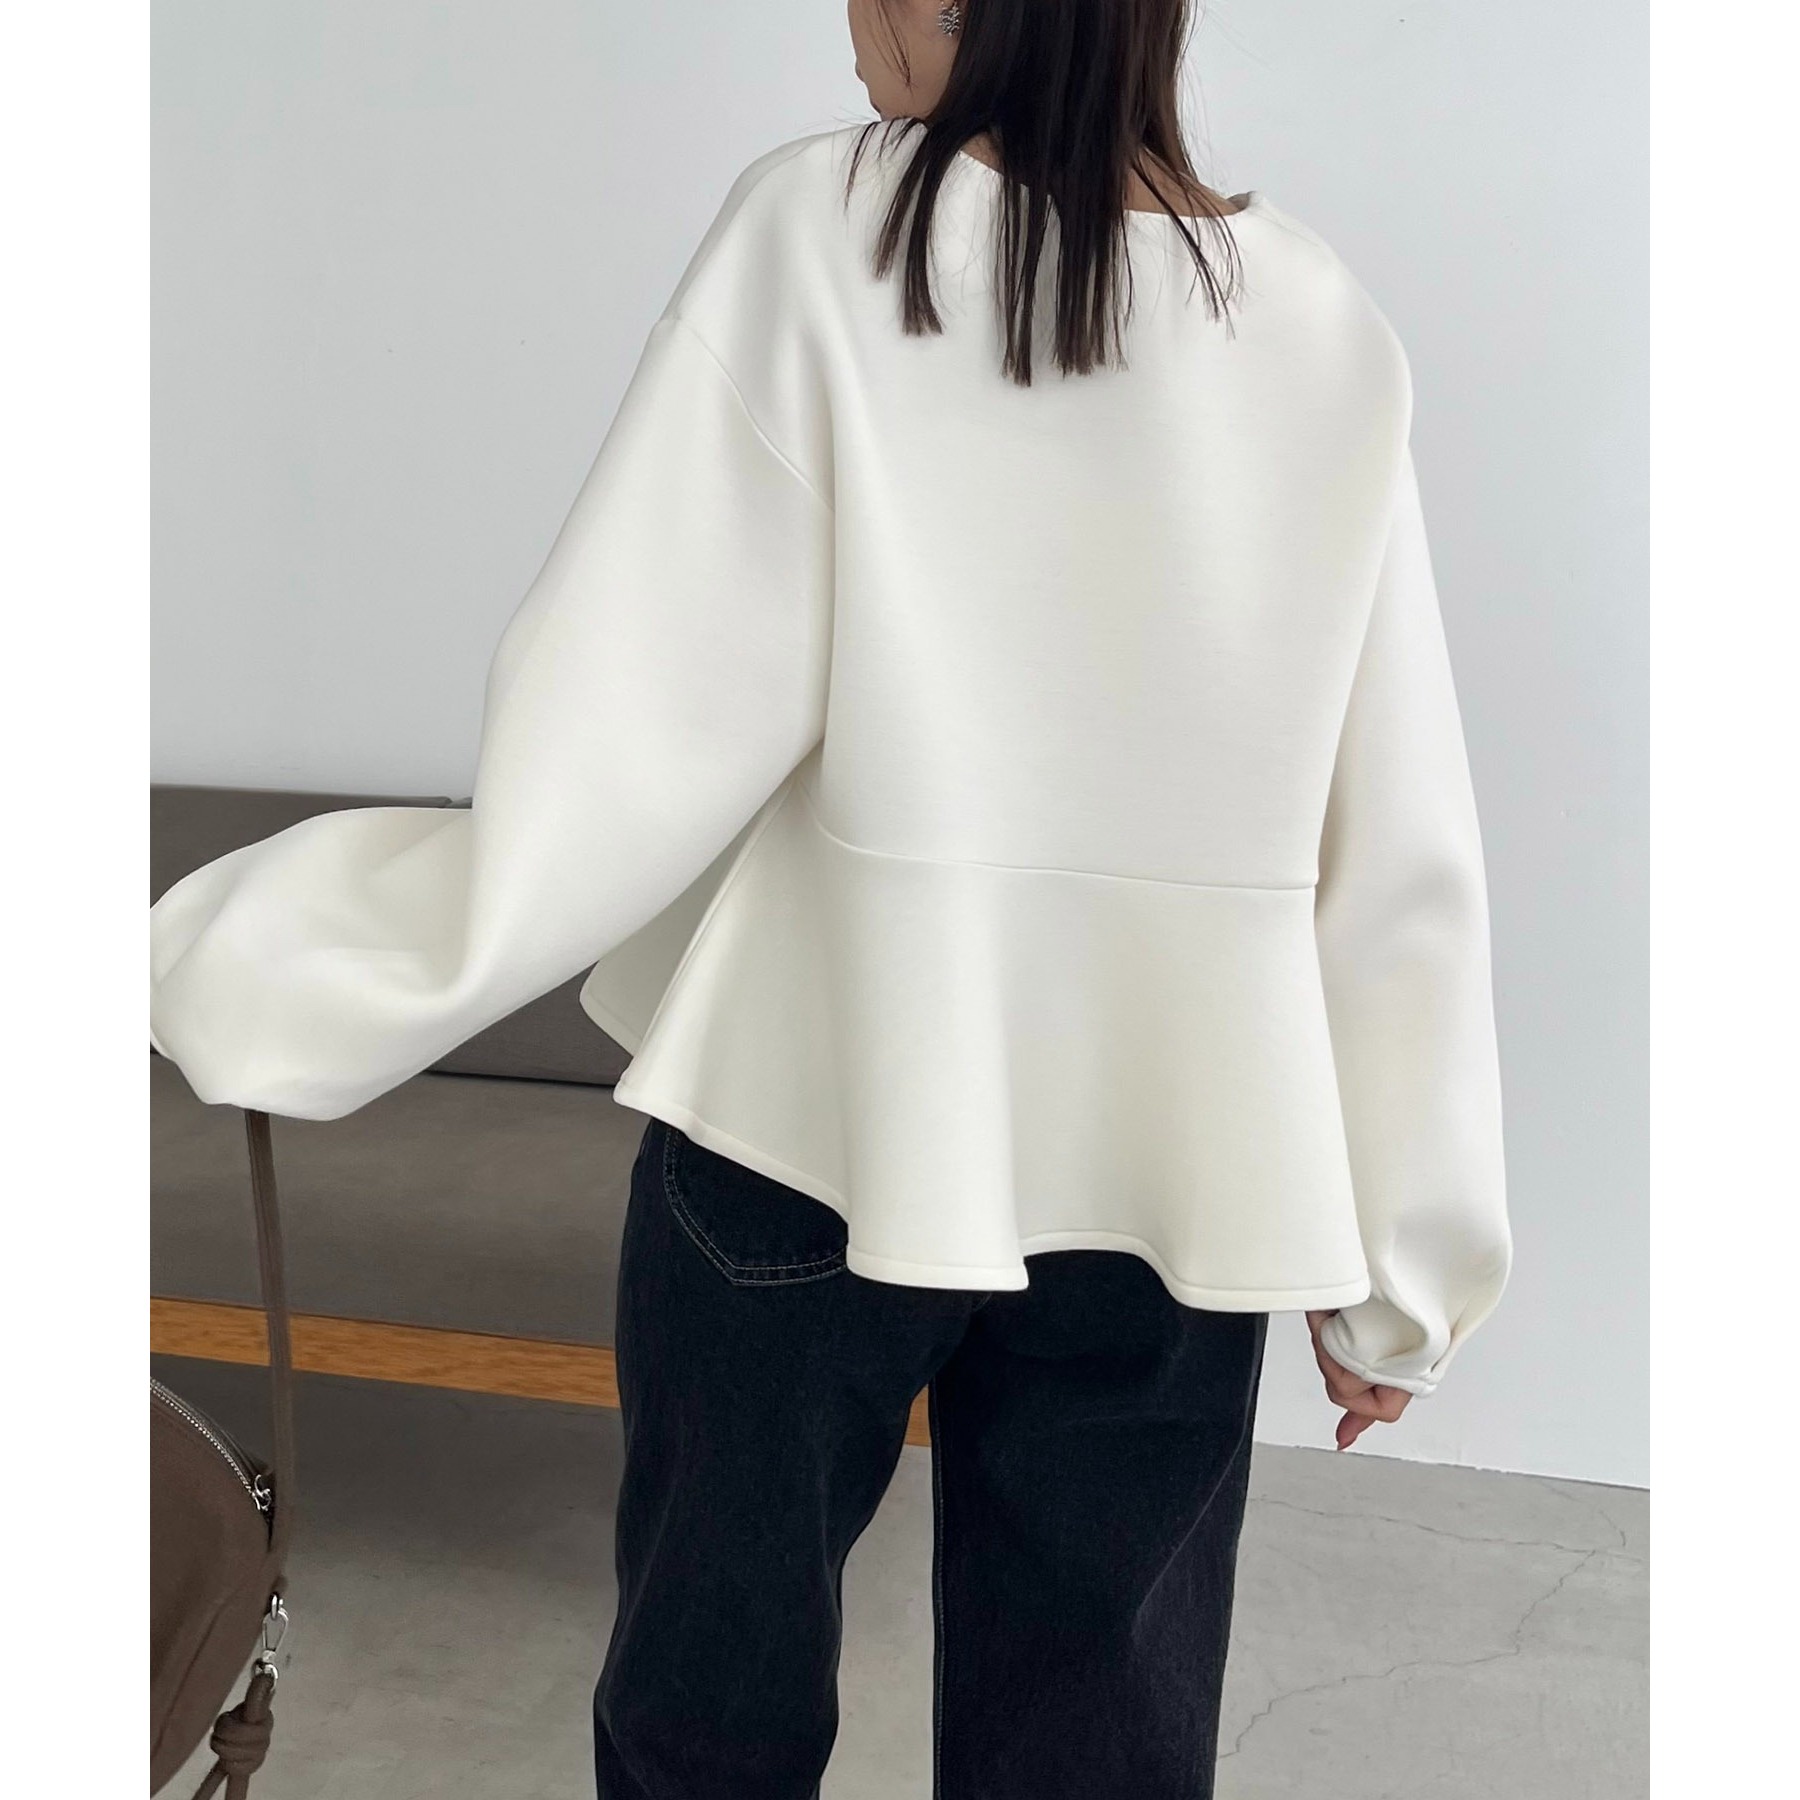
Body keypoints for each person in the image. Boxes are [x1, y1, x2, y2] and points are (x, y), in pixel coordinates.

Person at [149, 1, 1512, 1794]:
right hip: (1172, 1166)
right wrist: (1409, 1265)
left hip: (808, 1115)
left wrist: (278, 970)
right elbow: (1395, 825)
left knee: (708, 1710)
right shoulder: (1320, 323)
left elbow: (629, 718)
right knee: (1097, 1742)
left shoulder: (827, 227)